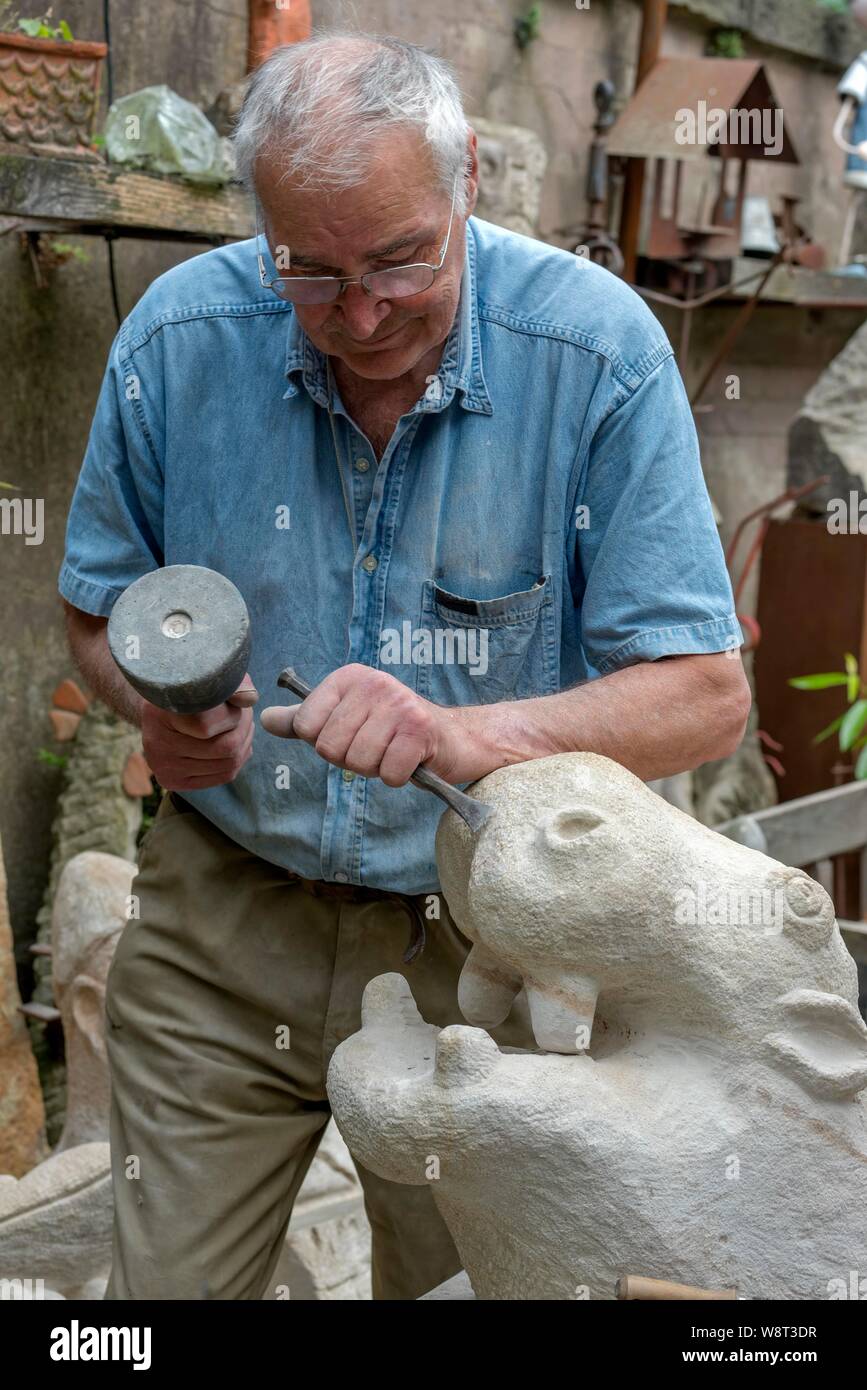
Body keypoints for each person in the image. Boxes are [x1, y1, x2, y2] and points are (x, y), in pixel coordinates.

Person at [59, 32, 750, 1300]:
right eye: (309, 273)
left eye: (397, 261)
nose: (360, 315)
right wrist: (161, 717)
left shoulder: (596, 356)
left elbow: (704, 693)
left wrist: (464, 733)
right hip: (222, 923)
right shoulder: (179, 340)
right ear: (259, 224)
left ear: (468, 179)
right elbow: (99, 612)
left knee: (464, 1297)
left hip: (484, 946)